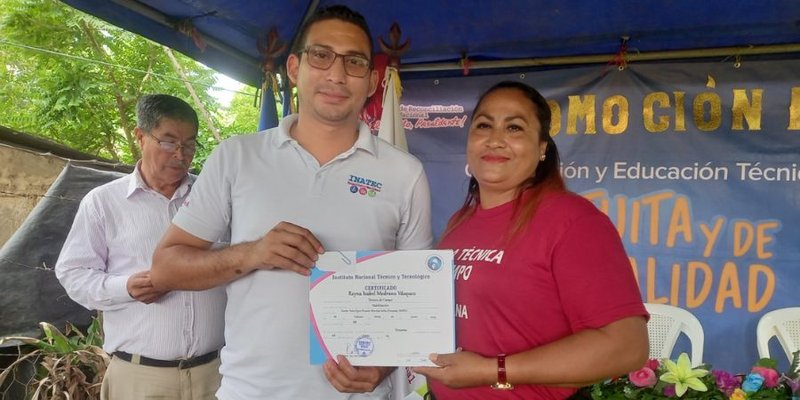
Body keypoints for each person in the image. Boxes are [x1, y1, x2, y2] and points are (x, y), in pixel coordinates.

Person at [149, 5, 432, 400]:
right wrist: (251, 254)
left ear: (372, 81)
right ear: (294, 68)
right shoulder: (237, 157)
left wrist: (383, 365)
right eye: (321, 55)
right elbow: (165, 268)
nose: (336, 74)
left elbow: (419, 301)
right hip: (251, 393)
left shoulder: (405, 173)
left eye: (353, 62)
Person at [412, 81, 649, 400]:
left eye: (514, 128)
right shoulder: (460, 222)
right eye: (484, 125)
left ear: (541, 148)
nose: (495, 140)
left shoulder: (573, 221)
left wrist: (489, 371)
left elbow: (626, 347)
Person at [55, 94, 226, 400]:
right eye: (169, 142)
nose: (180, 154)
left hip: (215, 375)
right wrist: (126, 288)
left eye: (189, 144)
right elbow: (72, 273)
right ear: (140, 136)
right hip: (140, 379)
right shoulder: (104, 202)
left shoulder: (214, 198)